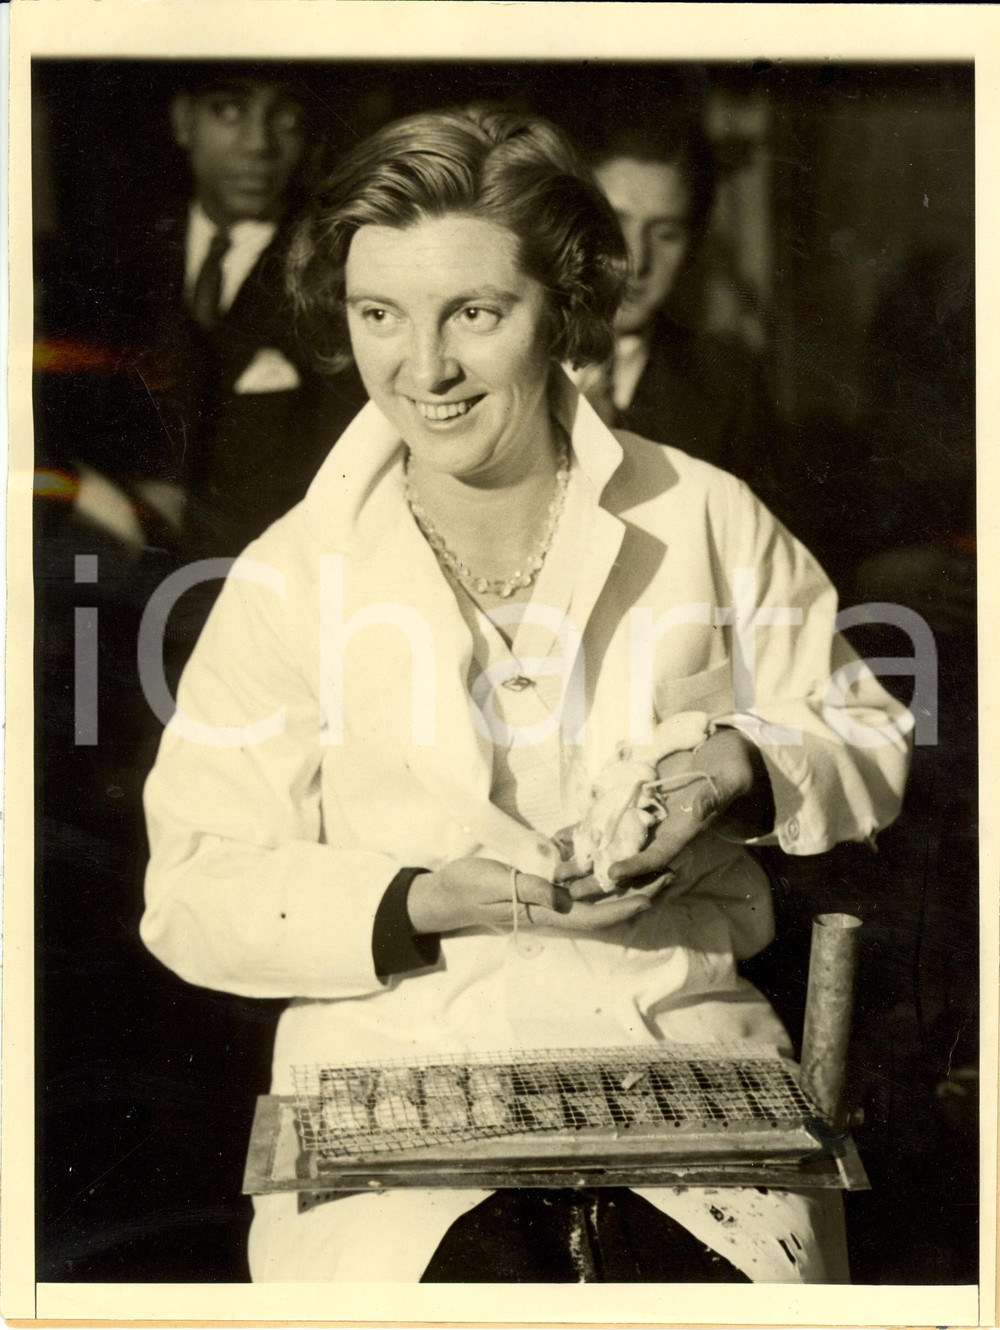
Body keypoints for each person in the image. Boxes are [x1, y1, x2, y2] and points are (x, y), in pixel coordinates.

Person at [140, 106, 912, 1283]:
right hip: (395, 1077)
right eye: (378, 315)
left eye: (475, 314)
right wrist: (421, 900)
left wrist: (738, 766)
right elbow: (194, 885)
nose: (424, 367)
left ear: (564, 308)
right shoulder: (294, 573)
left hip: (681, 1060)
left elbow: (862, 732)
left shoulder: (702, 516)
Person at [135, 63, 365, 565]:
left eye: (285, 118)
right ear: (183, 120)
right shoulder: (116, 261)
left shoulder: (337, 277)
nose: (258, 144)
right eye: (230, 110)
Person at [579, 115, 778, 502]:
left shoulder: (728, 389)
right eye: (614, 226)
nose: (636, 259)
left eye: (666, 233)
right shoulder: (506, 360)